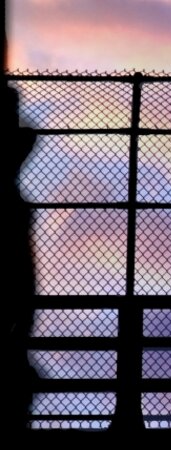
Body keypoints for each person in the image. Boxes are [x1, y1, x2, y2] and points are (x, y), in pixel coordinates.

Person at [2, 85, 38, 433]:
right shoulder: (9, 196)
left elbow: (27, 136)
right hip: (14, 286)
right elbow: (27, 136)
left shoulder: (10, 194)